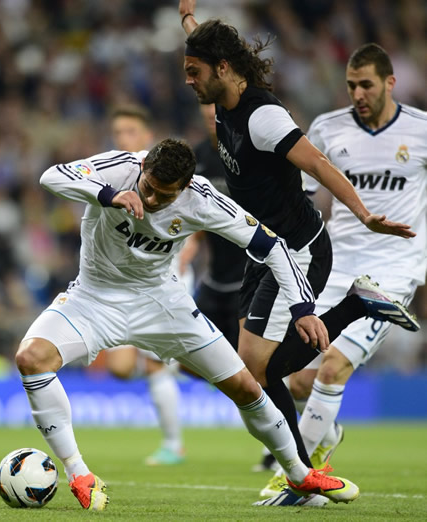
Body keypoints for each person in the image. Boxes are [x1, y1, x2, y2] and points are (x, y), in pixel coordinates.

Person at [14, 137, 417, 510]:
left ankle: (299, 474)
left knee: (246, 385)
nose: (151, 199)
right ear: (144, 169)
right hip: (93, 298)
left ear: (185, 187)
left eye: (163, 195)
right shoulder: (120, 168)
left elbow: (271, 246)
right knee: (31, 358)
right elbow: (52, 176)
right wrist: (111, 194)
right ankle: (80, 474)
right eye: (147, 187)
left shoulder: (201, 198)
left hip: (161, 303)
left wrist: (302, 308)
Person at [177, 2, 417, 505]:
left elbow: (322, 166)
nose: (188, 82)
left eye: (193, 72)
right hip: (261, 250)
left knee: (253, 373)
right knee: (256, 373)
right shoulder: (222, 92)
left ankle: (302, 476)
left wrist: (365, 214)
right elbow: (203, 45)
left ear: (223, 69)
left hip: (299, 249)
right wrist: (188, 19)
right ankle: (303, 472)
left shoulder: (264, 118)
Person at [258, 43, 427, 502]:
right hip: (333, 268)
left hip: (392, 272)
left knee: (332, 368)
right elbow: (307, 200)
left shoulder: (422, 130)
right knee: (294, 378)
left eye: (366, 84)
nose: (358, 93)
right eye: (351, 85)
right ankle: (326, 434)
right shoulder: (328, 128)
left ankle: (297, 479)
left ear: (391, 83)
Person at [106, 104, 186, 466]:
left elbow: (189, 228)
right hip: (123, 282)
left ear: (146, 140)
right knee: (121, 367)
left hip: (165, 278)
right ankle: (191, 364)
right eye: (118, 132)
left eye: (129, 132)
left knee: (155, 365)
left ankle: (174, 444)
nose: (122, 139)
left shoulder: (162, 177)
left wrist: (180, 266)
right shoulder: (113, 174)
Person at [179, 103, 247, 350]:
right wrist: (190, 246)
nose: (210, 112)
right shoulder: (197, 157)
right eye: (206, 104)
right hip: (215, 279)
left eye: (216, 104)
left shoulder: (248, 153)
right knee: (190, 358)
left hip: (250, 280)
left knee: (250, 364)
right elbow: (194, 212)